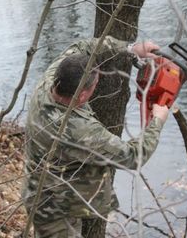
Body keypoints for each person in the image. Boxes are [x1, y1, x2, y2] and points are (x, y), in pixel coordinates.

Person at [21, 36, 170, 238]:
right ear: (82, 95)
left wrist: (132, 49)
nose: (96, 85)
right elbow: (134, 156)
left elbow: (83, 45)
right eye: (95, 84)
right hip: (54, 213)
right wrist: (157, 121)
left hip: (39, 189)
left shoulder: (49, 81)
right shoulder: (79, 130)